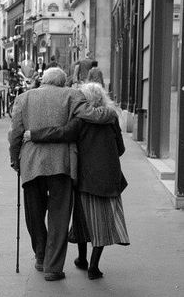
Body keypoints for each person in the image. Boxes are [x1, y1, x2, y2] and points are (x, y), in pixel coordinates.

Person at [8, 68, 116, 282]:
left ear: (43, 80)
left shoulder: (24, 98)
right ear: (62, 82)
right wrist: (111, 112)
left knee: (34, 213)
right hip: (62, 164)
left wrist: (14, 159)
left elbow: (15, 134)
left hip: (31, 163)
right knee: (59, 217)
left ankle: (40, 256)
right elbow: (93, 115)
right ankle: (53, 267)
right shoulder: (72, 95)